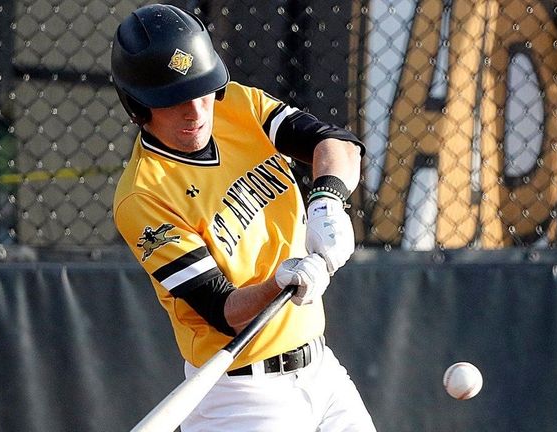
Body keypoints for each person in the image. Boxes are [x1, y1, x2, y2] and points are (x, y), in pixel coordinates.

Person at [111, 4, 376, 431]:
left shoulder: (236, 105)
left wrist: (327, 199)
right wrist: (280, 282)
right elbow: (223, 310)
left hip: (322, 369)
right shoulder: (144, 195)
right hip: (242, 398)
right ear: (139, 105)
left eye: (201, 91)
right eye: (174, 101)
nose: (196, 113)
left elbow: (337, 145)